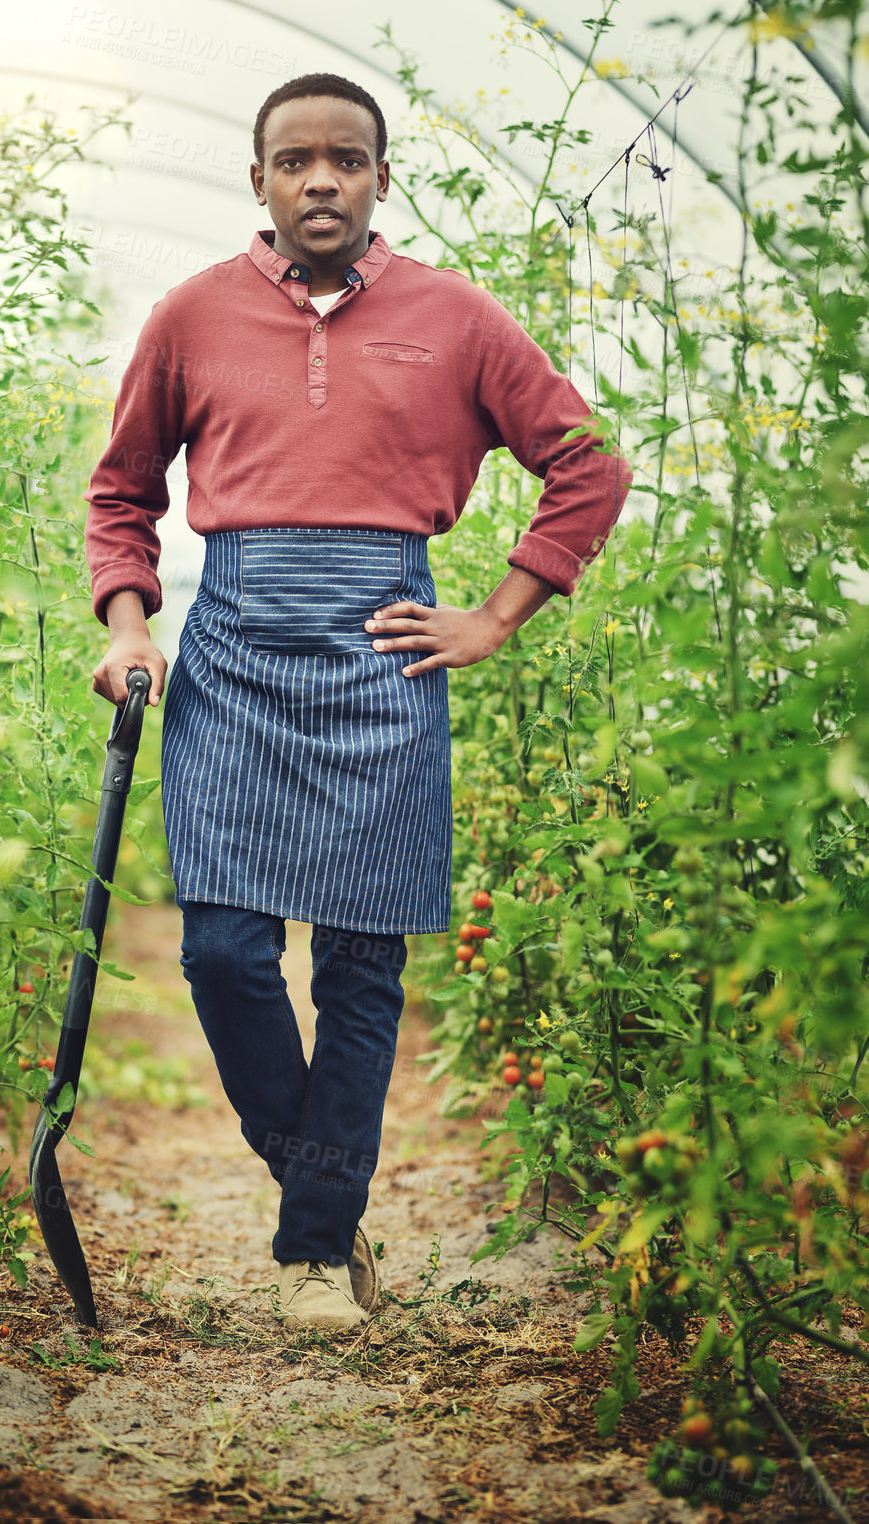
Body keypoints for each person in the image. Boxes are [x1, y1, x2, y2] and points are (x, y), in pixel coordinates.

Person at [85, 72, 631, 1332]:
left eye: (346, 158)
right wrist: (129, 627)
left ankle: (316, 1247)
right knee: (223, 950)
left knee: (362, 966)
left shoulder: (457, 318)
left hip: (386, 653)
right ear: (259, 180)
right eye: (293, 160)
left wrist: (496, 615)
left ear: (383, 178)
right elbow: (123, 494)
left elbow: (584, 466)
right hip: (231, 651)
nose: (319, 178)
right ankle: (320, 1176)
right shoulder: (192, 316)